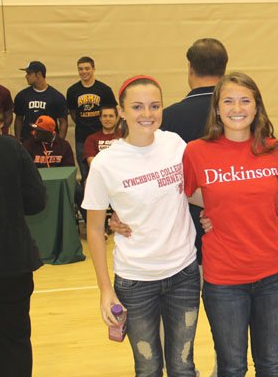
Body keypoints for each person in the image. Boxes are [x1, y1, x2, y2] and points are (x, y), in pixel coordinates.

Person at [82, 75, 200, 376]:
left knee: (183, 365)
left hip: (183, 273)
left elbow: (195, 191)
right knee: (147, 368)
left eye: (154, 106)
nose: (147, 114)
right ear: (121, 111)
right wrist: (105, 290)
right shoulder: (106, 163)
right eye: (137, 107)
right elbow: (95, 229)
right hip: (135, 282)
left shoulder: (175, 144)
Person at [182, 72, 278, 376]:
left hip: (273, 274)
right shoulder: (196, 151)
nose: (237, 108)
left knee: (271, 363)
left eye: (245, 100)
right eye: (228, 101)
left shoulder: (273, 149)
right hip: (223, 279)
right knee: (232, 366)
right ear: (216, 108)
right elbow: (185, 194)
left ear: (257, 107)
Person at [162, 37, 228, 265]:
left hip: (184, 231)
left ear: (190, 68)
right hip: (236, 228)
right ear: (224, 69)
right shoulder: (244, 115)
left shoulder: (168, 117)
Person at [0, 131, 46, 377]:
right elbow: (36, 201)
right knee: (14, 340)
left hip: (12, 260)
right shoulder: (11, 148)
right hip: (11, 260)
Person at [66, 56, 117, 181]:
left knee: (109, 173)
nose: (84, 72)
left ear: (93, 69)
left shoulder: (104, 90)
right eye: (80, 69)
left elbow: (112, 111)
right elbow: (73, 112)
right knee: (86, 176)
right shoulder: (72, 91)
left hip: (103, 136)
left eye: (87, 68)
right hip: (82, 138)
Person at [13, 61, 68, 143]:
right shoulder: (22, 95)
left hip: (49, 142)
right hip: (27, 141)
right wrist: (18, 141)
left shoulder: (56, 96)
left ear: (38, 74)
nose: (26, 76)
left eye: (29, 73)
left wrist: (59, 142)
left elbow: (63, 122)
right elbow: (18, 119)